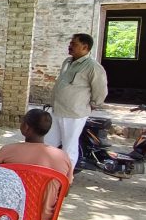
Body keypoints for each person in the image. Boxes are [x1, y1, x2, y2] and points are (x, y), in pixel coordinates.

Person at [0, 109, 74, 220]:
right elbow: (65, 192)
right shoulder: (62, 157)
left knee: (21, 201)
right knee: (32, 200)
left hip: (9, 211)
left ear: (26, 127)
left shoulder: (8, 150)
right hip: (44, 213)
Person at [45, 33, 108, 169]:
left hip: (74, 113)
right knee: (48, 143)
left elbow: (100, 91)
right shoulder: (67, 61)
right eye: (71, 43)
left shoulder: (93, 67)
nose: (70, 46)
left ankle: (66, 178)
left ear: (85, 47)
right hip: (57, 109)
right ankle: (47, 172)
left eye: (74, 44)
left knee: (69, 147)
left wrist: (93, 105)